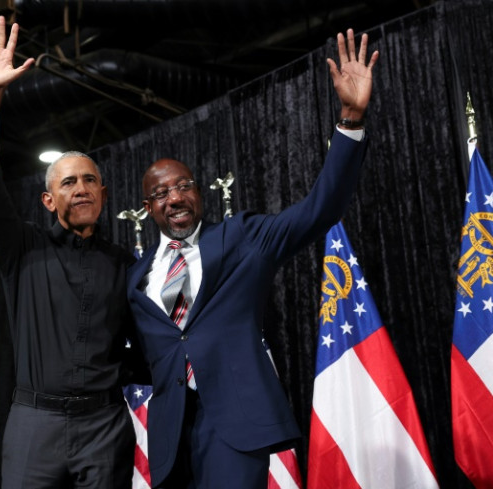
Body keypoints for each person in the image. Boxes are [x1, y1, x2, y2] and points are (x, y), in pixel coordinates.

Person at [127, 29, 379, 488]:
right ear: (148, 208)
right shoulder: (136, 279)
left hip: (235, 426)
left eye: (183, 186)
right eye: (161, 193)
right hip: (169, 436)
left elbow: (320, 208)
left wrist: (350, 118)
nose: (175, 197)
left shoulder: (243, 237)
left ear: (198, 194)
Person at [0, 16, 143, 488]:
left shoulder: (127, 266)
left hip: (105, 427)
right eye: (68, 182)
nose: (81, 189)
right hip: (33, 426)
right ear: (49, 200)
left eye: (90, 180)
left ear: (104, 194)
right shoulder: (21, 247)